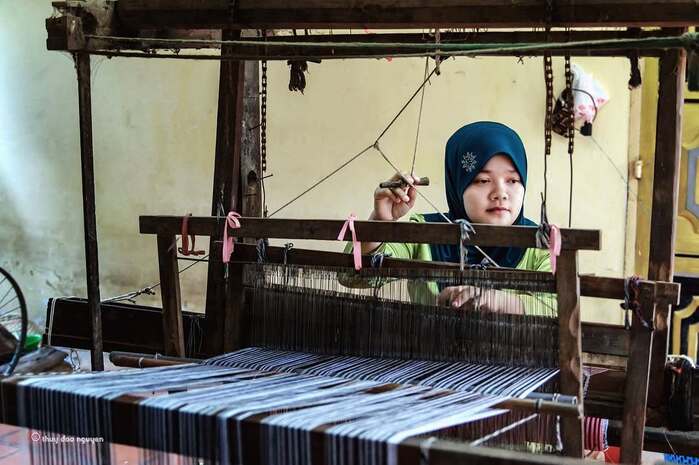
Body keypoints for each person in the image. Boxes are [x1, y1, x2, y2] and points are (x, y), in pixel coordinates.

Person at [348, 121, 551, 314]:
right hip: (427, 348)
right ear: (457, 184)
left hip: (515, 352)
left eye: (513, 180)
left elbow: (560, 308)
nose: (500, 193)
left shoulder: (539, 245)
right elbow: (354, 277)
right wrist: (381, 222)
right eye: (482, 180)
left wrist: (502, 301)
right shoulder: (424, 233)